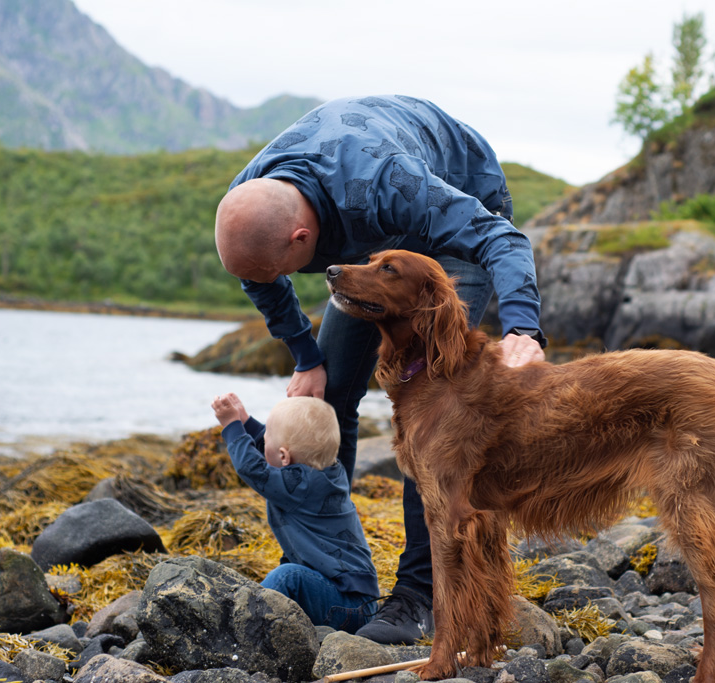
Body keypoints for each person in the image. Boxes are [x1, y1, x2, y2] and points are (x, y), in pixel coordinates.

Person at [213, 94, 547, 644]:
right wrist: (307, 358)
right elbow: (260, 276)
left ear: (303, 240)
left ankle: (420, 596)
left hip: (456, 198)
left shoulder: (388, 182)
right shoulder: (251, 200)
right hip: (373, 228)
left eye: (280, 271)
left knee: (437, 417)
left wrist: (522, 331)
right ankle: (331, 575)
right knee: (327, 399)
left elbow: (501, 240)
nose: (266, 282)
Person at [211, 392, 379, 633]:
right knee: (287, 576)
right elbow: (275, 450)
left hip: (347, 606)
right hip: (352, 600)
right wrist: (246, 420)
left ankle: (245, 633)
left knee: (287, 577)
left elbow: (252, 468)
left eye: (266, 436)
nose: (261, 439)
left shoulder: (299, 485)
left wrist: (232, 426)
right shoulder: (326, 472)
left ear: (283, 456)